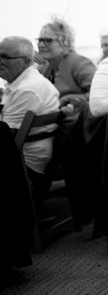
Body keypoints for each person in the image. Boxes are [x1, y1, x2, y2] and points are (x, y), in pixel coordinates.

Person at [0, 37, 59, 205]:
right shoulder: (25, 81)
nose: (0, 61)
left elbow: (5, 139)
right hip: (26, 159)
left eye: (6, 58)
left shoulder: (26, 89)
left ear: (26, 61)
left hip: (24, 168)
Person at [36, 17, 96, 114]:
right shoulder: (42, 69)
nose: (41, 45)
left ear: (65, 43)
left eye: (48, 41)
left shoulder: (79, 63)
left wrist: (70, 98)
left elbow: (100, 93)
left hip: (76, 123)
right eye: (40, 40)